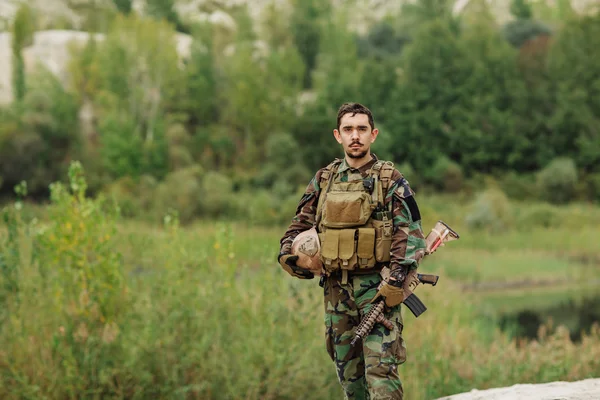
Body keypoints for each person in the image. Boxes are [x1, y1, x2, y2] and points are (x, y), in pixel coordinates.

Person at [278, 102, 427, 400]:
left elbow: (411, 234)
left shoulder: (389, 179)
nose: (355, 136)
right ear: (338, 135)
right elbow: (295, 229)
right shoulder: (324, 179)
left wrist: (396, 280)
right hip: (336, 293)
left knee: (381, 372)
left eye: (361, 129)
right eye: (348, 129)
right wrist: (295, 260)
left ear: (373, 134)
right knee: (350, 379)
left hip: (378, 290)